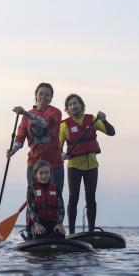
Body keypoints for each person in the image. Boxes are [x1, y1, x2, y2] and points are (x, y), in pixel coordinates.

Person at [59, 93, 115, 234]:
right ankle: (71, 232)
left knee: (91, 197)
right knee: (73, 198)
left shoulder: (92, 120)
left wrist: (105, 120)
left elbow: (111, 132)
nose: (73, 106)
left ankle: (90, 231)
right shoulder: (64, 125)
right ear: (68, 108)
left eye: (75, 103)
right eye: (70, 104)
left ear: (81, 105)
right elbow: (58, 148)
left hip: (91, 166)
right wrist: (62, 155)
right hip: (74, 166)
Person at [6, 82, 65, 195]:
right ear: (36, 95)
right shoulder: (26, 118)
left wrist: (26, 113)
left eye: (47, 95)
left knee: (56, 197)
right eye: (41, 93)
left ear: (51, 98)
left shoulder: (55, 112)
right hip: (34, 164)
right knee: (33, 197)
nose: (43, 97)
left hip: (54, 164)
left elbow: (43, 124)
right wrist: (13, 150)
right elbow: (20, 138)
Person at [25, 160, 66, 240]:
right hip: (37, 223)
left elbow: (61, 208)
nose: (44, 176)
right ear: (36, 175)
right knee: (39, 235)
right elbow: (31, 210)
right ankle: (31, 234)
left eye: (47, 173)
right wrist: (37, 224)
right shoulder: (32, 191)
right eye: (41, 173)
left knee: (60, 235)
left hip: (52, 223)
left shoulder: (56, 189)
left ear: (50, 174)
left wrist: (59, 224)